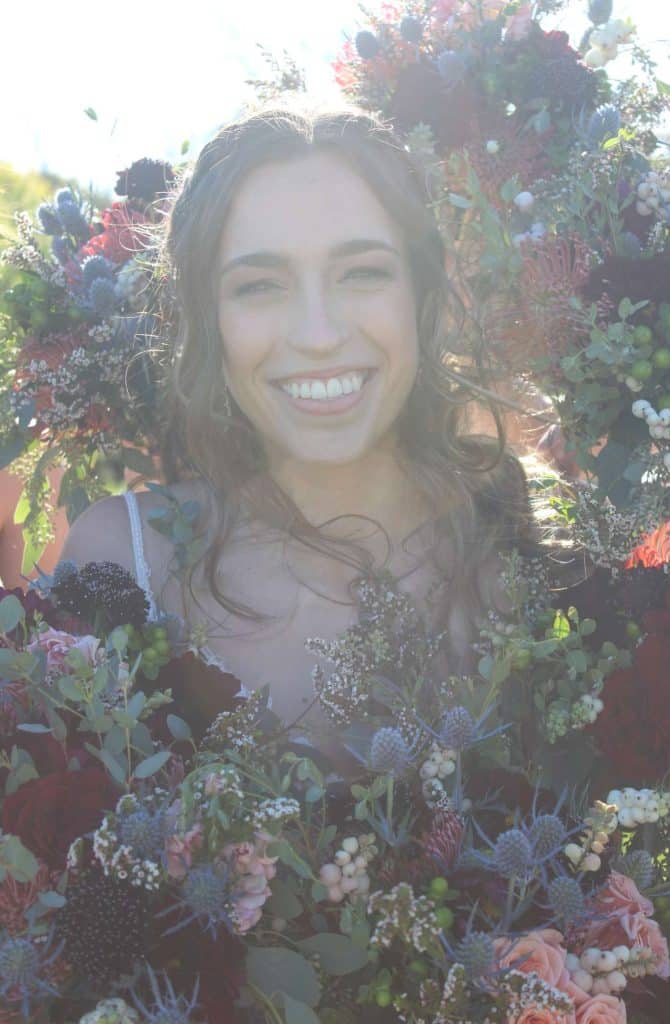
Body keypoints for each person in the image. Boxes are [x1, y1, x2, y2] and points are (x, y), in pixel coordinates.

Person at [60, 106, 537, 755]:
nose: (319, 335)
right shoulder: (123, 561)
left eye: (362, 273)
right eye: (260, 285)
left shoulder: (530, 557)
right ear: (208, 319)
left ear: (424, 295)